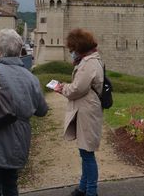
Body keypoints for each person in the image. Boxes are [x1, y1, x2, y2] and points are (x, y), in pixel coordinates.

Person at [0, 29, 48, 195]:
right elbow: (42, 110)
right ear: (20, 51)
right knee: (10, 187)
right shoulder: (31, 78)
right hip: (17, 143)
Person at [53, 28, 105, 196]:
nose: (72, 52)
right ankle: (84, 187)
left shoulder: (89, 63)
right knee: (85, 151)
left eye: (73, 49)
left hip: (87, 112)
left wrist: (62, 88)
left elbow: (78, 88)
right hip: (86, 110)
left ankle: (91, 191)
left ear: (79, 47)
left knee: (87, 154)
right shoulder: (90, 61)